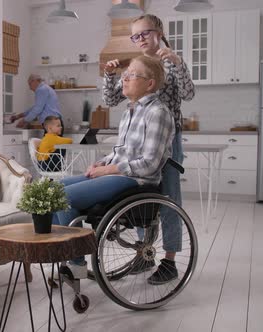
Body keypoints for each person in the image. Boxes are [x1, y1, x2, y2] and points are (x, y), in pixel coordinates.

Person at [53, 55, 175, 280]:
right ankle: (61, 252)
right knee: (53, 189)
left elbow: (149, 164)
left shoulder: (157, 112)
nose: (124, 79)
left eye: (131, 75)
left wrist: (108, 170)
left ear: (149, 84)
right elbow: (123, 151)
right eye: (124, 75)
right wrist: (103, 162)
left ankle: (75, 263)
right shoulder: (131, 111)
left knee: (65, 197)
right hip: (120, 173)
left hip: (137, 181)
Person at [102, 14, 195, 284]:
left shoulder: (171, 63)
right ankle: (144, 254)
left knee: (168, 201)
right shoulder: (139, 66)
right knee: (142, 198)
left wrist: (177, 64)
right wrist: (110, 75)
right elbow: (110, 99)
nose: (140, 39)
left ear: (159, 32)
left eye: (145, 33)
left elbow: (188, 94)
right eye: (135, 35)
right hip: (138, 142)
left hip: (166, 140)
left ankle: (169, 261)